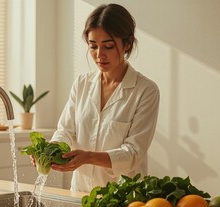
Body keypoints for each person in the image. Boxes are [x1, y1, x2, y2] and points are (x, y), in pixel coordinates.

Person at [40, 4, 159, 192]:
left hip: (124, 199)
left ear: (127, 44)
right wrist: (49, 151)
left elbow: (133, 153)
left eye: (108, 46)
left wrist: (88, 157)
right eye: (93, 46)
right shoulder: (82, 84)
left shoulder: (145, 91)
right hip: (80, 194)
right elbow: (66, 131)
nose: (99, 55)